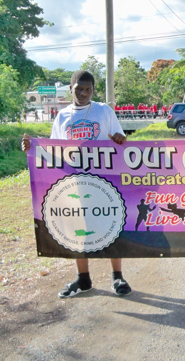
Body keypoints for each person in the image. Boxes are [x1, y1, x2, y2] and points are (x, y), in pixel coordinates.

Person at [22, 70, 131, 298]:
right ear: (71, 89)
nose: (83, 93)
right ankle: (83, 280)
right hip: (74, 183)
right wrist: (32, 149)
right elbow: (53, 151)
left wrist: (121, 139)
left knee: (111, 225)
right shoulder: (62, 117)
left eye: (88, 89)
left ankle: (117, 276)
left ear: (93, 90)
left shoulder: (103, 111)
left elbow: (120, 141)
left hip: (104, 181)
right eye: (79, 89)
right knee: (78, 231)